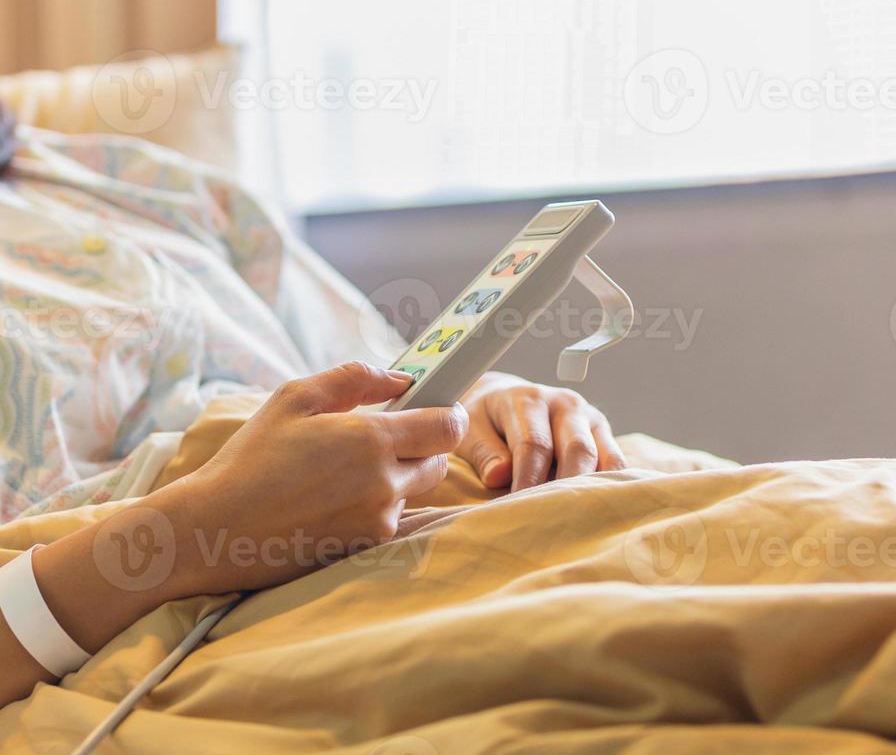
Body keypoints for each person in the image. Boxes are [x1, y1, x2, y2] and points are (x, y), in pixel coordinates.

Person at [0, 101, 625, 707]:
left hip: (418, 475)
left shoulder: (132, 180)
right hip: (180, 588)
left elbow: (367, 362)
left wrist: (481, 400)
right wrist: (197, 534)